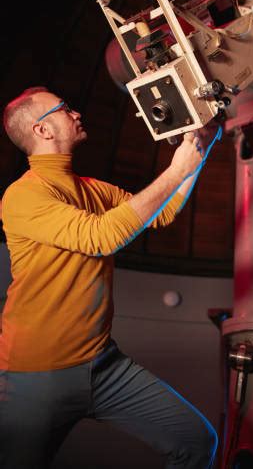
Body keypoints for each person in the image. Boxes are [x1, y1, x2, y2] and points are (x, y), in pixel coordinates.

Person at [0, 86, 218, 469]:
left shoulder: (91, 189)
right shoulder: (23, 196)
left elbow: (162, 211)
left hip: (104, 367)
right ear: (42, 131)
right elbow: (101, 237)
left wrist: (203, 145)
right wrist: (177, 169)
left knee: (196, 440)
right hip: (34, 377)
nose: (77, 112)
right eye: (65, 108)